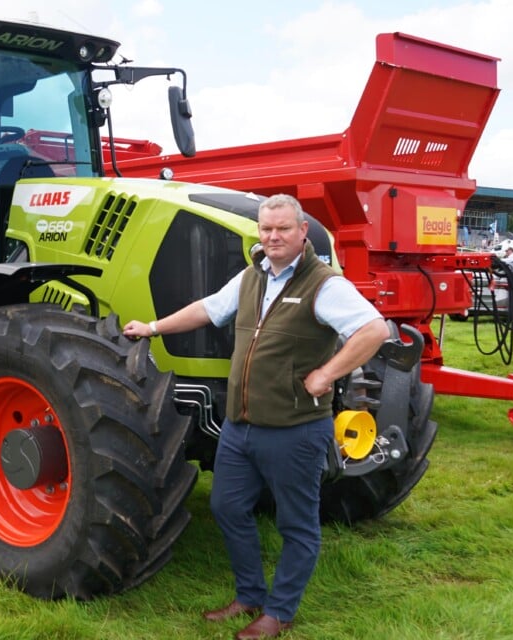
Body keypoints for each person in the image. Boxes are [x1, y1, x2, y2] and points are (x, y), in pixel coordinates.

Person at [123, 194, 389, 639]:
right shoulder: (251, 277)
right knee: (227, 507)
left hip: (296, 429)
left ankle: (279, 612)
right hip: (240, 426)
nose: (273, 237)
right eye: (267, 229)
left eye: (283, 229)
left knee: (296, 524)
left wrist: (327, 373)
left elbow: (374, 329)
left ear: (302, 232)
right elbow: (207, 309)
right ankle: (249, 595)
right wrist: (152, 328)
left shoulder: (324, 284)